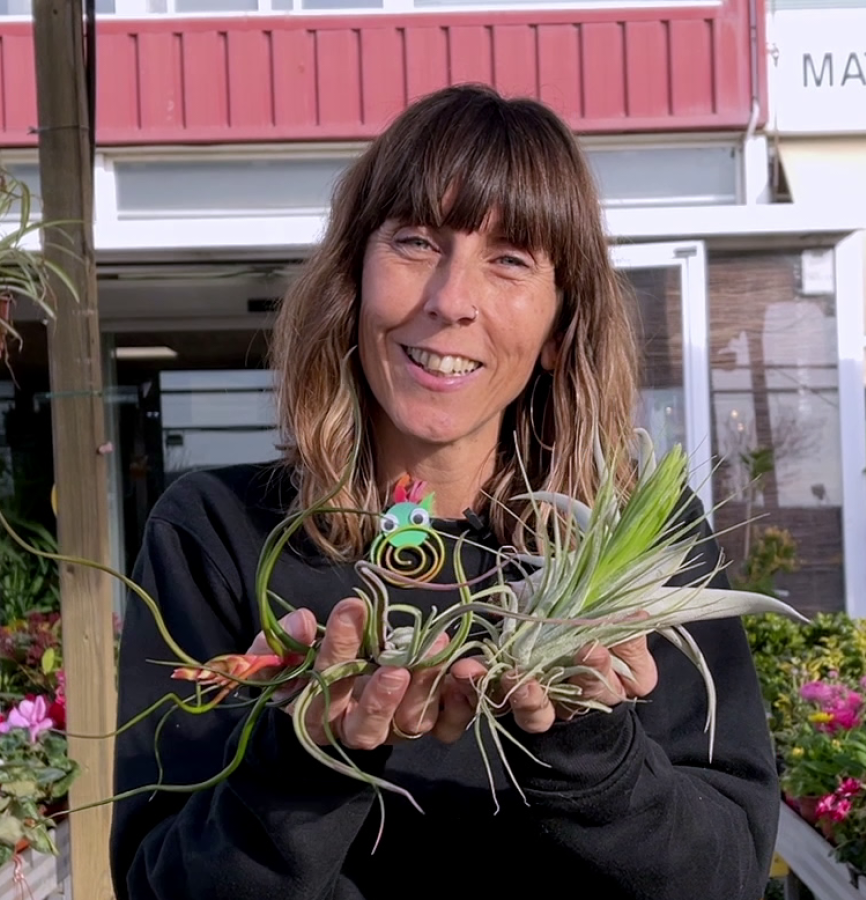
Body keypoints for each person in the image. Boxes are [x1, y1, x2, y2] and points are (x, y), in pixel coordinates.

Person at [110, 83, 780, 900]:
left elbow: (728, 876)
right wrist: (308, 757)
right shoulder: (217, 532)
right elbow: (157, 883)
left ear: (561, 330)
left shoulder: (638, 547)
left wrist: (590, 747)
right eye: (417, 242)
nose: (450, 301)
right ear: (351, 281)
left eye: (509, 260)